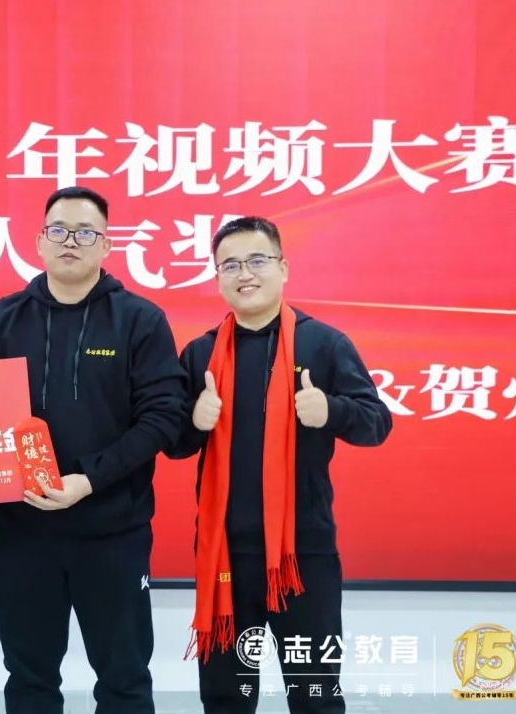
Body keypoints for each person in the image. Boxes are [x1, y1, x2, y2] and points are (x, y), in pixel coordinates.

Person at [0, 186, 185, 714]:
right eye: (59, 230)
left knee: (124, 679)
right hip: (20, 535)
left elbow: (163, 417)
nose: (71, 241)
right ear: (39, 242)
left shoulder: (140, 320)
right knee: (29, 680)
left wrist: (89, 479)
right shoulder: (0, 320)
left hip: (113, 535)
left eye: (86, 232)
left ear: (106, 245)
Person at [168, 216, 393, 714]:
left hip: (302, 555)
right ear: (217, 276)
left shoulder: (323, 344)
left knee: (315, 694)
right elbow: (175, 445)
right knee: (226, 698)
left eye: (257, 260)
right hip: (224, 555)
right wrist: (194, 422)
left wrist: (331, 410)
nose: (244, 274)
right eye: (230, 265)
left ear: (283, 268)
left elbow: (377, 423)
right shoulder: (201, 353)